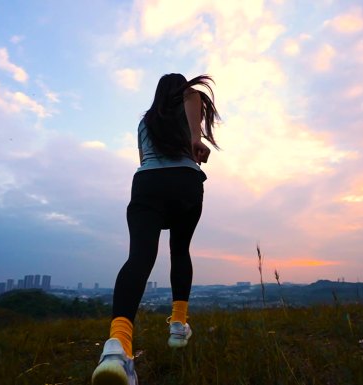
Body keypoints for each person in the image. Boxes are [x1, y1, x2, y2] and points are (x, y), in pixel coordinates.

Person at [91, 73, 220, 385]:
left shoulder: (144, 122)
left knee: (140, 257)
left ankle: (117, 347)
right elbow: (192, 98)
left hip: (147, 184)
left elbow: (144, 159)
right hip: (185, 183)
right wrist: (195, 137)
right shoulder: (190, 99)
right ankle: (178, 325)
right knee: (180, 250)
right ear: (181, 89)